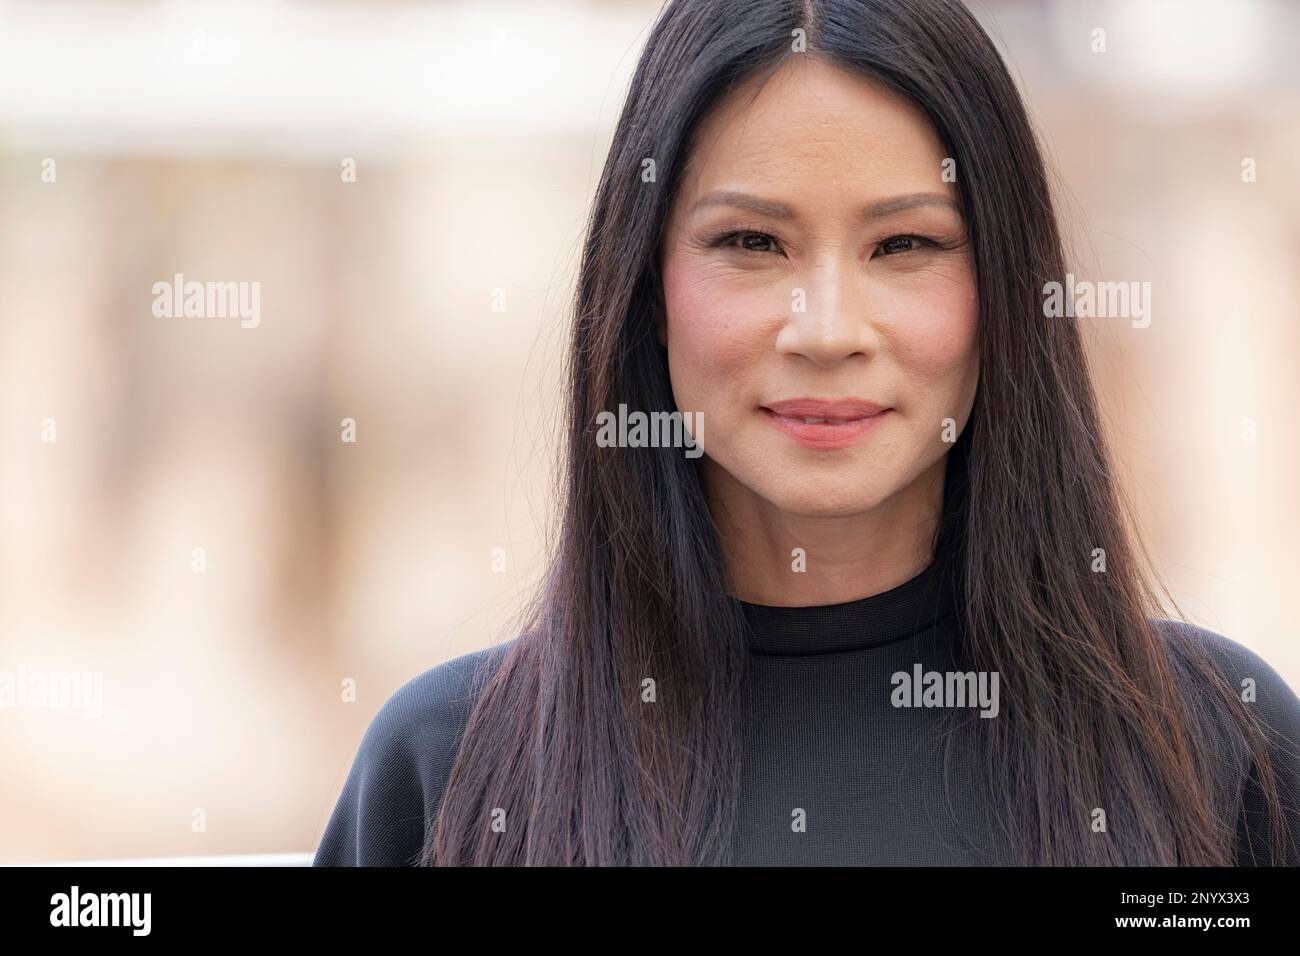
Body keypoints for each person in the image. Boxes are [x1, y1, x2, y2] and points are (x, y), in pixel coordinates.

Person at [314, 0, 1300, 866]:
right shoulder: (450, 770)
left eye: (904, 244)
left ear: (1004, 286)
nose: (826, 328)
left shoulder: (1215, 748)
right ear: (647, 287)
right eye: (750, 243)